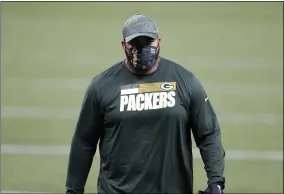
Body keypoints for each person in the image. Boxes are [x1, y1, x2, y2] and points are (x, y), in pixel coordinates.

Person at [66, 14, 226, 194]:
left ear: (159, 42)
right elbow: (84, 142)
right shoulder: (101, 87)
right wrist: (74, 189)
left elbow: (208, 133)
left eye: (148, 41)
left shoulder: (186, 82)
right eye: (135, 43)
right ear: (123, 45)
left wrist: (216, 181)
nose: (142, 48)